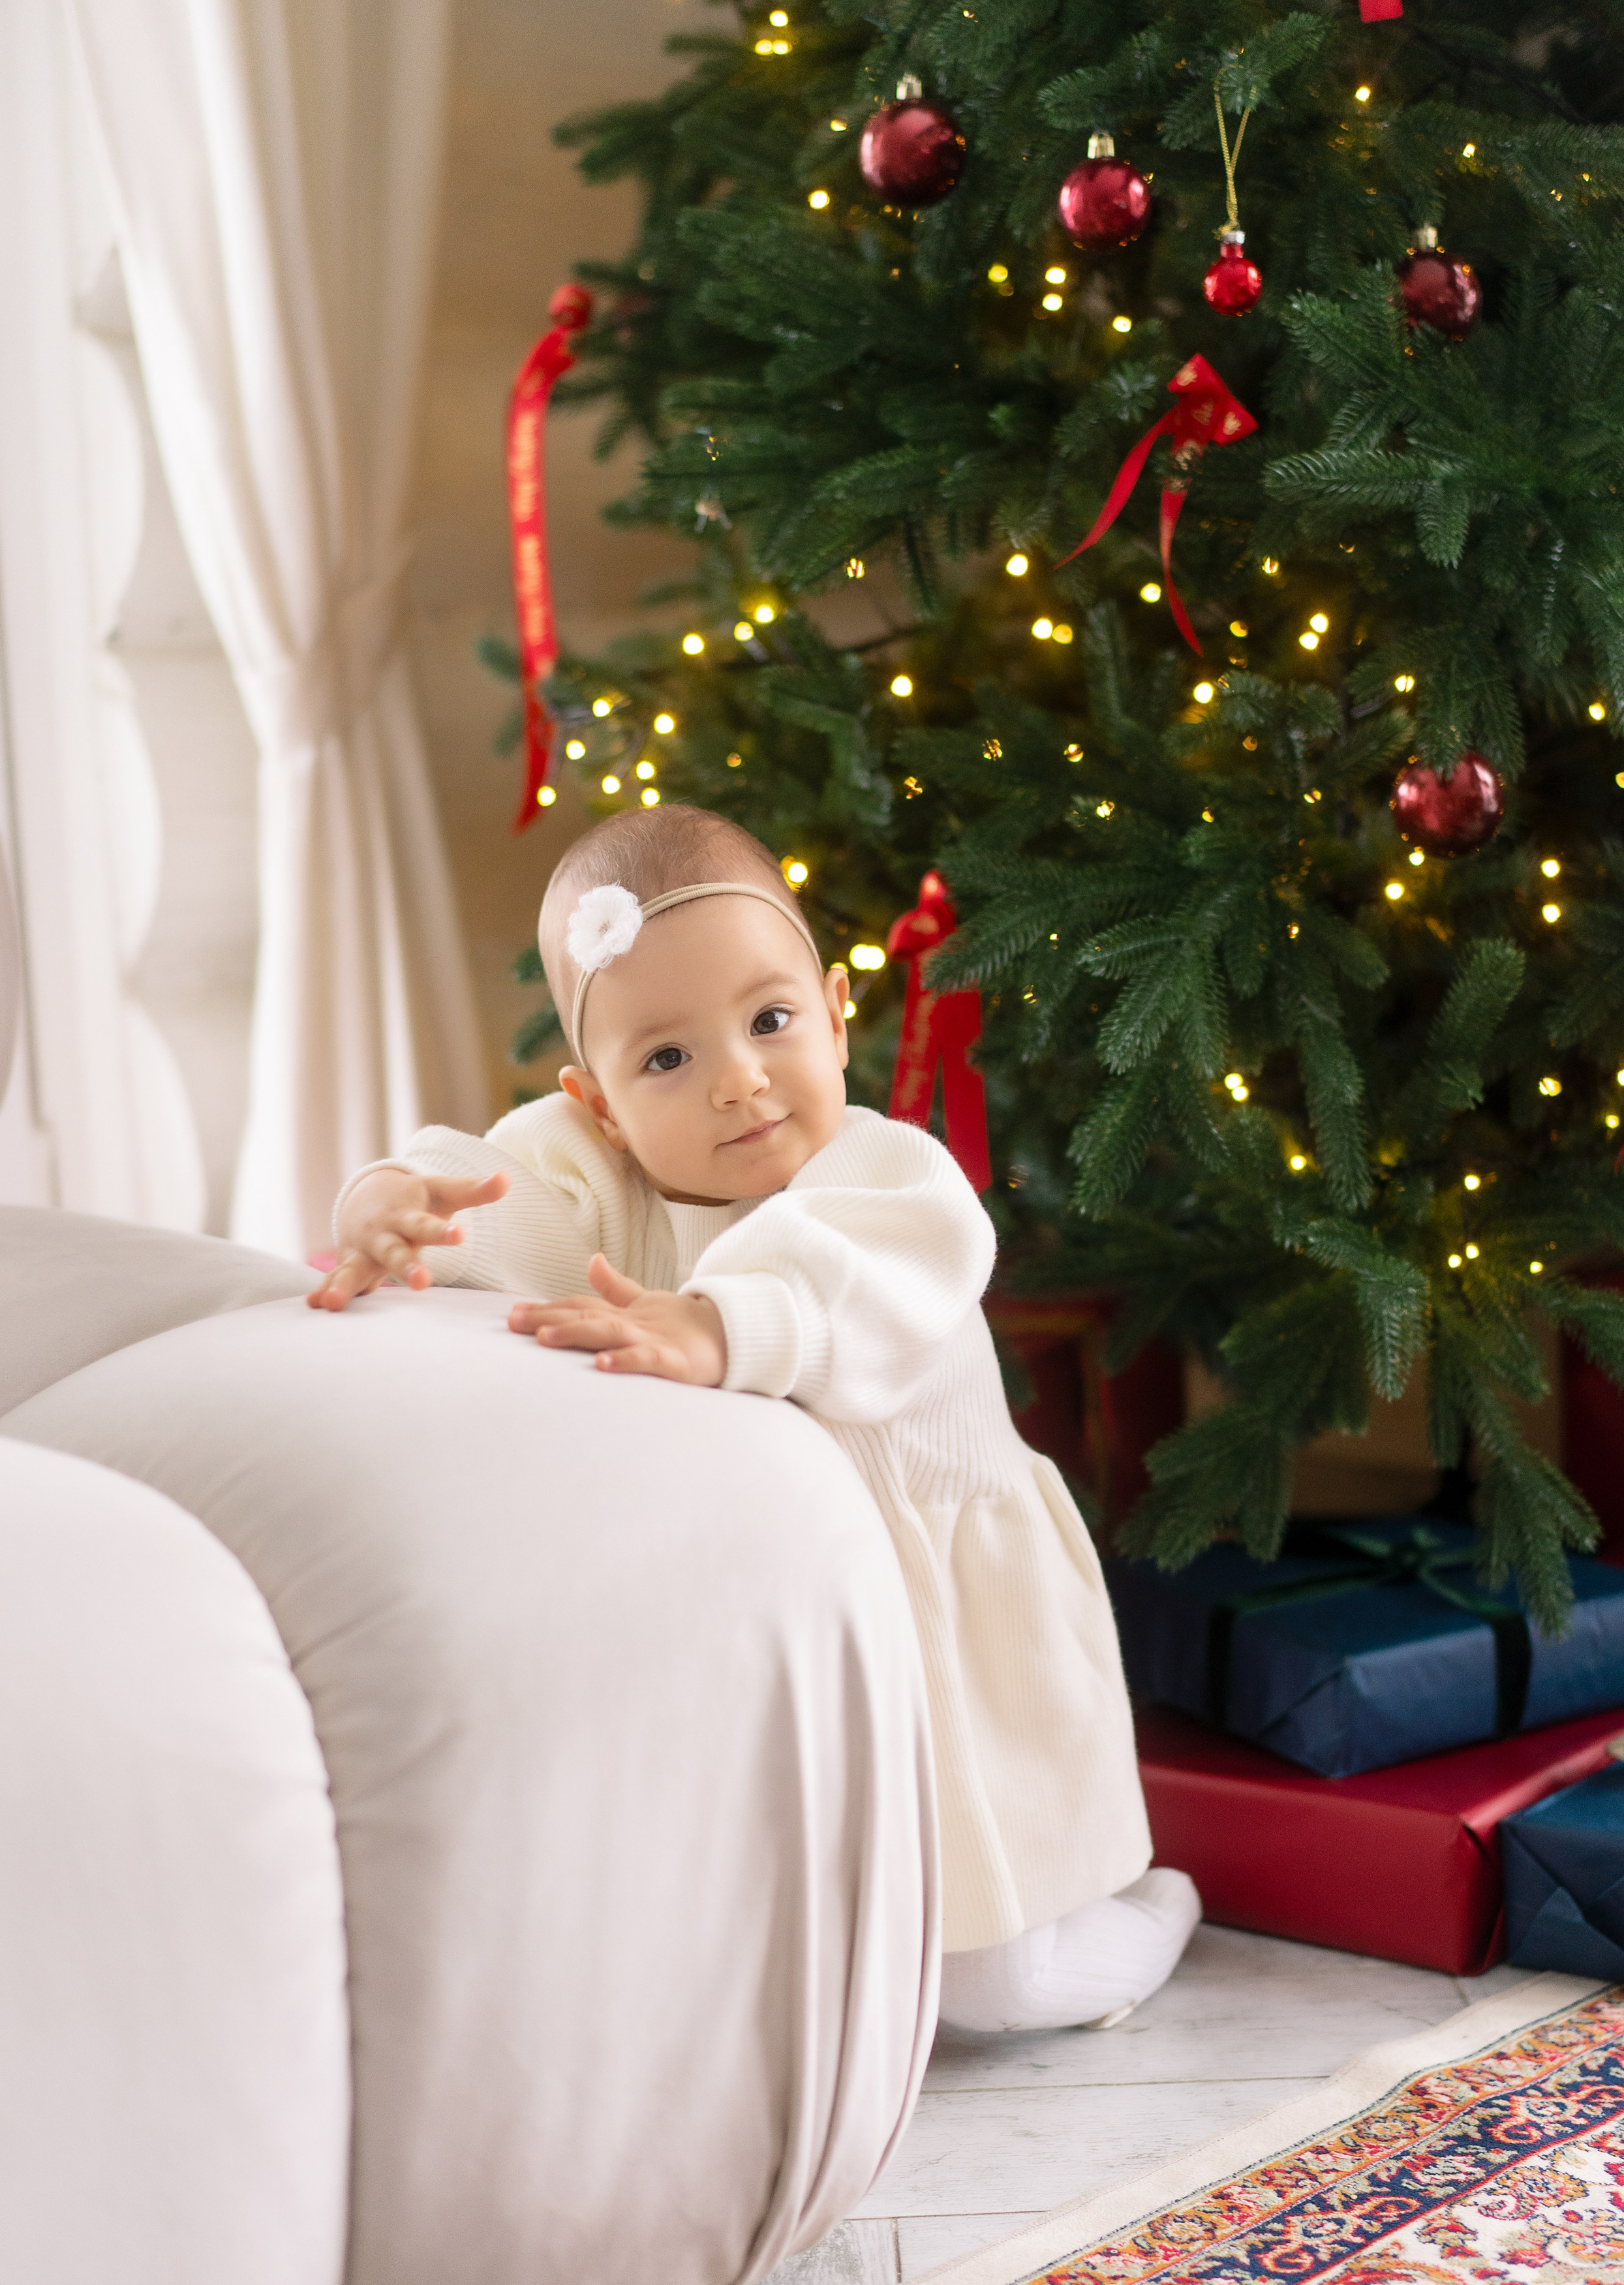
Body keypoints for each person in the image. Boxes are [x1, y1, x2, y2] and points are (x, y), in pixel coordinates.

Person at [311, 805, 1199, 2031]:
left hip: (942, 1633)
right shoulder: (608, 1180)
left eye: (770, 1021)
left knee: (991, 1988)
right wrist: (398, 1201)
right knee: (792, 1959)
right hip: (775, 1643)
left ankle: (1157, 1914)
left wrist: (721, 1326)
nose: (737, 1079)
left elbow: (856, 1267)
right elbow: (492, 1190)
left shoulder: (885, 1175)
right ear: (602, 1104)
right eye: (665, 1060)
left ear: (839, 1012)